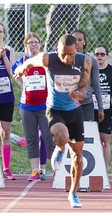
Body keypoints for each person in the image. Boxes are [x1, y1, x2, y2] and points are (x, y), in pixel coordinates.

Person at [14, 34, 92, 208]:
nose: (67, 58)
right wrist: (21, 70)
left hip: (74, 111)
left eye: (71, 54)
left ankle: (73, 193)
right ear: (57, 50)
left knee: (78, 155)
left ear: (76, 50)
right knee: (62, 136)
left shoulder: (84, 60)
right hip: (55, 109)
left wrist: (79, 92)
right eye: (63, 54)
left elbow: (85, 82)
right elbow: (29, 62)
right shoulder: (47, 58)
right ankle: (60, 146)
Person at [12, 32, 55, 181]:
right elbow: (14, 74)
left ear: (40, 44)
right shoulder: (21, 61)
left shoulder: (45, 60)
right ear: (26, 45)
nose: (33, 45)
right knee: (31, 139)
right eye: (30, 42)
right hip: (27, 107)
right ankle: (35, 171)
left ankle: (57, 170)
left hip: (44, 106)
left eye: (36, 42)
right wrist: (23, 85)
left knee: (49, 138)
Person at [71, 29, 104, 122]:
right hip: (69, 103)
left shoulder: (92, 60)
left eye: (80, 40)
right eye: (74, 40)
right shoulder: (66, 59)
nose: (77, 42)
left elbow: (96, 85)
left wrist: (100, 108)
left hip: (86, 104)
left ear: (84, 42)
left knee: (86, 134)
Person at [94, 45, 112, 169]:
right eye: (97, 54)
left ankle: (104, 168)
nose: (99, 57)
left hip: (107, 108)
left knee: (104, 139)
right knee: (90, 138)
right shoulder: (90, 69)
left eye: (102, 54)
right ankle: (93, 167)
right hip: (91, 108)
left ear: (107, 55)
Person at [0, 22, 17, 180]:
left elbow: (12, 73)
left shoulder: (9, 50)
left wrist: (4, 56)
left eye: (0, 31)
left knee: (5, 133)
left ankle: (6, 168)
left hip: (6, 97)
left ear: (4, 33)